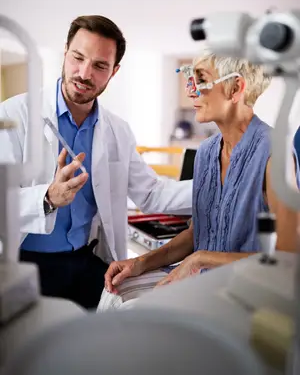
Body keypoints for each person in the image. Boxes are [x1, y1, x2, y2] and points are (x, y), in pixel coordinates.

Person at [0, 15, 192, 310]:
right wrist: (48, 198)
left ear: (113, 72)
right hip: (27, 264)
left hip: (87, 263)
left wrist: (219, 186)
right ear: (65, 53)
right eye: (78, 58)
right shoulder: (15, 114)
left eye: (100, 66)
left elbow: (151, 193)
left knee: (95, 347)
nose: (84, 73)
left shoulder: (117, 130)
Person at [99, 52, 298, 311]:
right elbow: (197, 235)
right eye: (189, 81)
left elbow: (285, 259)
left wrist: (201, 259)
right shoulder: (205, 152)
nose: (191, 92)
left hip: (247, 295)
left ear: (236, 88)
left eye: (200, 80)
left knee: (133, 315)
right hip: (202, 283)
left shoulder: (275, 153)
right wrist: (142, 262)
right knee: (116, 294)